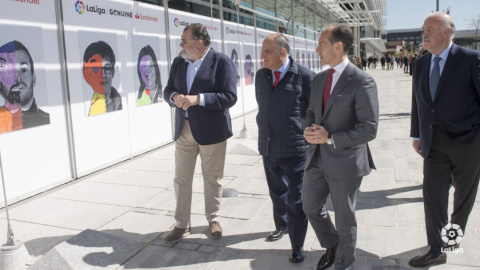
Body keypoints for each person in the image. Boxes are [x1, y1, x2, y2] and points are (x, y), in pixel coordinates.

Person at [302, 24, 379, 270]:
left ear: (338, 47)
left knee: (345, 219)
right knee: (309, 206)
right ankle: (332, 243)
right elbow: (311, 112)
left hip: (345, 161)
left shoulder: (361, 81)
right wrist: (308, 129)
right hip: (317, 157)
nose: (317, 49)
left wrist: (331, 137)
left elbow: (369, 128)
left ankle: (344, 264)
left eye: (321, 44)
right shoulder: (319, 78)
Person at [409, 12, 480, 267]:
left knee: (463, 196)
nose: (424, 33)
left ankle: (453, 238)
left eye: (430, 28)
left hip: (469, 143)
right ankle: (437, 248)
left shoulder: (471, 59)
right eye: (423, 28)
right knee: (433, 194)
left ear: (447, 32)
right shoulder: (419, 64)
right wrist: (417, 134)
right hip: (434, 143)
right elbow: (418, 103)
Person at [162, 23, 237, 242]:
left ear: (200, 43)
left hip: (212, 132)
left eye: (184, 40)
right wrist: (175, 97)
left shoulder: (221, 62)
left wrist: (199, 99)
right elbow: (167, 90)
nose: (181, 44)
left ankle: (213, 219)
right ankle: (182, 224)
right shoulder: (179, 62)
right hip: (184, 129)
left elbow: (230, 96)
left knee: (212, 179)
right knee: (181, 179)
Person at [255, 34, 314, 264]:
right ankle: (281, 226)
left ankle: (297, 245)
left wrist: (305, 134)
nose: (263, 56)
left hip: (296, 149)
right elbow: (264, 108)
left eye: (267, 51)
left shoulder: (305, 77)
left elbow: (312, 111)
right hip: (268, 146)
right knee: (276, 192)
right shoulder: (262, 76)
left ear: (282, 52)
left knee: (296, 199)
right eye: (262, 51)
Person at [0, 40, 50, 133]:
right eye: (9, 71)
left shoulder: (46, 119)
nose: (17, 78)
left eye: (23, 69)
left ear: (33, 78)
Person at [83, 41, 122, 116]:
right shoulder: (88, 105)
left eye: (107, 68)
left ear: (113, 72)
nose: (103, 75)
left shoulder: (119, 103)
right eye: (96, 68)